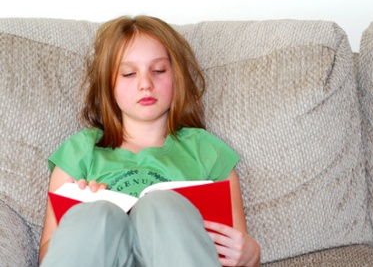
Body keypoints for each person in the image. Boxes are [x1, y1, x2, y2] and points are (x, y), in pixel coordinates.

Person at [39, 15, 260, 267]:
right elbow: (47, 256)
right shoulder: (80, 152)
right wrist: (76, 220)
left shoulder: (207, 151)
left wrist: (251, 255)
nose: (146, 84)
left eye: (158, 70)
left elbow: (235, 247)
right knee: (95, 214)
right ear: (107, 85)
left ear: (176, 77)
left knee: (162, 206)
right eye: (129, 73)